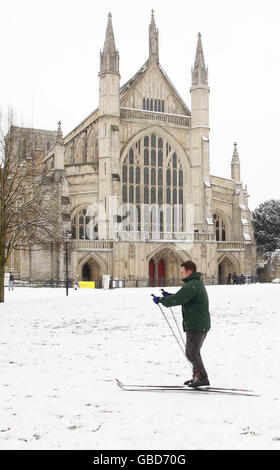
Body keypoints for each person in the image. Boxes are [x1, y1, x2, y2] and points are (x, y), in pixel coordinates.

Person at [152, 261, 211, 387]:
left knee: (192, 352)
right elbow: (183, 296)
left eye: (182, 272)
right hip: (197, 323)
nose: (180, 274)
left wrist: (162, 300)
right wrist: (169, 296)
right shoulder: (194, 284)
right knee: (194, 352)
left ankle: (203, 377)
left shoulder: (192, 285)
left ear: (189, 272)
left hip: (197, 324)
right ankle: (197, 376)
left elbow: (178, 299)